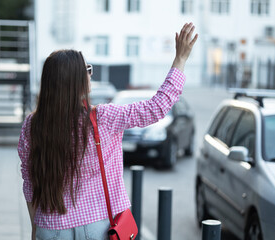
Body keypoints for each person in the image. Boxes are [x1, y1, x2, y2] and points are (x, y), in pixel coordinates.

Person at [18, 22, 198, 240]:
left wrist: (35, 228)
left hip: (51, 226)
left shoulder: (32, 125)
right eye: (87, 70)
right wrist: (180, 60)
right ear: (75, 82)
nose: (90, 75)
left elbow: (30, 182)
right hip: (97, 227)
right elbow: (156, 107)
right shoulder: (103, 118)